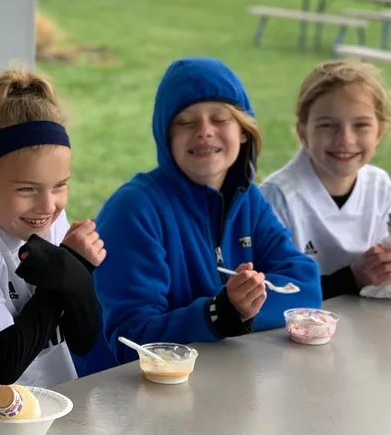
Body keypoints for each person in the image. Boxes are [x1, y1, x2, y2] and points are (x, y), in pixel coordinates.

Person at [93, 56, 322, 364]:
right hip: (135, 388)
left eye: (220, 118)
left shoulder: (249, 201)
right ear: (166, 137)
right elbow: (130, 340)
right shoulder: (133, 210)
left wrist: (242, 311)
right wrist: (218, 314)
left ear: (243, 131)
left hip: (226, 377)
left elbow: (305, 288)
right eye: (185, 122)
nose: (204, 131)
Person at [0, 67, 104, 390]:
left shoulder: (49, 219)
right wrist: (65, 269)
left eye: (59, 186)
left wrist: (75, 274)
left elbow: (84, 339)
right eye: (27, 189)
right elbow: (4, 363)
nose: (48, 205)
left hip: (53, 401)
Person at [260, 58, 391, 300]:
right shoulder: (276, 198)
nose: (345, 140)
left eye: (361, 125)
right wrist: (352, 278)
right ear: (303, 132)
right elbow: (272, 291)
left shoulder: (379, 186)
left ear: (379, 131)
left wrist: (389, 264)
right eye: (328, 125)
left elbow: (378, 265)